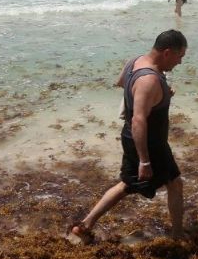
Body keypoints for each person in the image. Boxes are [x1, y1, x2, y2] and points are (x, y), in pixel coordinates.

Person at [71, 30, 188, 242]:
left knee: (127, 184)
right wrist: (144, 161)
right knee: (175, 183)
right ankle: (179, 236)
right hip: (148, 142)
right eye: (180, 57)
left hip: (132, 137)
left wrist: (158, 95)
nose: (179, 63)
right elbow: (138, 120)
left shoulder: (135, 61)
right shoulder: (150, 80)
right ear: (167, 53)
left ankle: (84, 226)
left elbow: (121, 83)